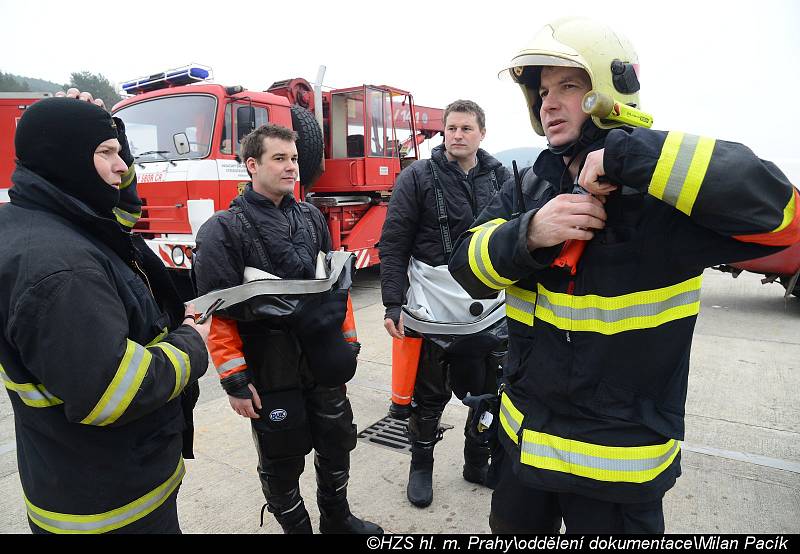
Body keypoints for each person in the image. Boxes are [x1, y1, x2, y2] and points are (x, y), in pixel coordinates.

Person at [448, 16, 800, 533]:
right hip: (525, 457)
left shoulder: (665, 194)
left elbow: (783, 218)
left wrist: (631, 156)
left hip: (619, 467)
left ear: (608, 89)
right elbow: (466, 267)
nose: (548, 102)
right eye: (543, 90)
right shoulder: (530, 187)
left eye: (568, 85)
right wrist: (527, 235)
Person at [0, 92, 211, 534]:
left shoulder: (49, 218)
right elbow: (112, 390)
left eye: (119, 152)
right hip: (111, 506)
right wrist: (191, 342)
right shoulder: (63, 268)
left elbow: (122, 209)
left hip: (81, 479)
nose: (121, 167)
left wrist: (107, 131)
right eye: (105, 153)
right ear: (67, 159)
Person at [193, 123, 382, 535]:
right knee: (282, 457)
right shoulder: (222, 230)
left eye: (293, 158)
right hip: (269, 366)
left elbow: (334, 286)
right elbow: (219, 315)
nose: (290, 167)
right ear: (251, 165)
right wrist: (235, 381)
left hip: (322, 358)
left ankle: (337, 519)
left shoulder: (312, 216)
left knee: (336, 442)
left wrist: (346, 345)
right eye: (279, 158)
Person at [379, 100, 511, 508]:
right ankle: (421, 465)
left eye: (466, 128)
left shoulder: (502, 177)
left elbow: (515, 238)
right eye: (451, 128)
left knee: (490, 394)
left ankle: (477, 460)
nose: (457, 135)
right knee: (428, 397)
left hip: (489, 307)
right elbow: (395, 240)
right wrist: (392, 302)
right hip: (430, 308)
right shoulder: (416, 175)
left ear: (481, 133)